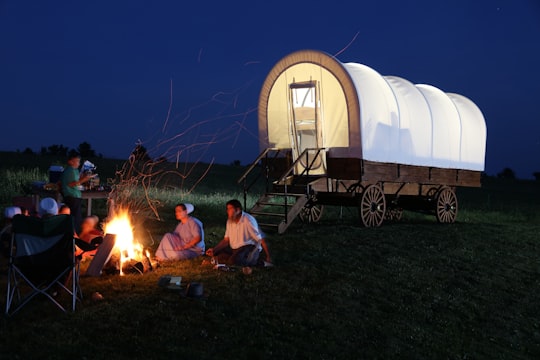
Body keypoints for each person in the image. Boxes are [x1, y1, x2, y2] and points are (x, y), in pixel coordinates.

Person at [206, 199, 271, 267]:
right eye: (227, 209)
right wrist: (214, 250)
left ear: (238, 210)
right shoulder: (230, 221)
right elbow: (226, 240)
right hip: (235, 248)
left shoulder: (248, 220)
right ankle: (231, 257)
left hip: (248, 246)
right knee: (217, 253)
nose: (228, 211)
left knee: (235, 261)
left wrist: (268, 256)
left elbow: (260, 239)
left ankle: (260, 263)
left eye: (230, 209)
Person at [60, 151, 95, 234]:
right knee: (76, 218)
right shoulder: (70, 171)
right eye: (77, 161)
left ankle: (75, 233)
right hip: (72, 196)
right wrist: (84, 179)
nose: (79, 163)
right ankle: (75, 235)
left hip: (74, 196)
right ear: (70, 161)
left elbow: (76, 179)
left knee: (76, 217)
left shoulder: (74, 170)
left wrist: (84, 177)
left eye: (79, 161)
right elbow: (72, 184)